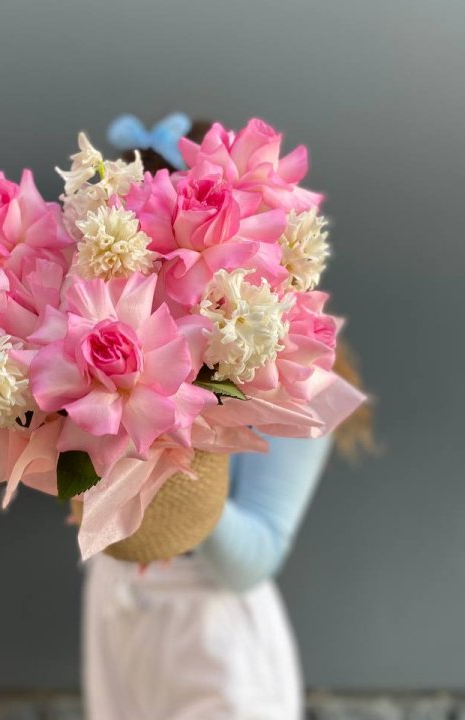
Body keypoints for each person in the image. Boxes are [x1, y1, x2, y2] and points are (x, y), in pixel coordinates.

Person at [81, 116, 374, 720]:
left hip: (216, 637)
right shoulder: (94, 333)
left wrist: (169, 462)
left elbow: (254, 561)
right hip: (118, 608)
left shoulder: (290, 367)